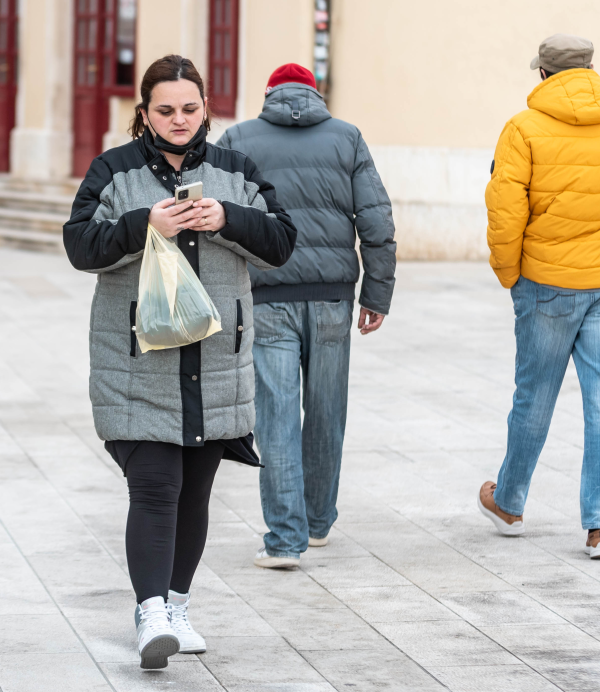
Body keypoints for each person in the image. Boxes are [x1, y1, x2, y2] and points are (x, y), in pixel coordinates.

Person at [63, 55, 296, 669]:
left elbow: (282, 241)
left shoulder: (235, 170)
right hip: (138, 365)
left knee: (195, 493)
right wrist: (144, 224)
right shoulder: (112, 172)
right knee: (155, 487)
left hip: (216, 365)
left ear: (205, 110)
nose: (178, 119)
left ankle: (177, 603)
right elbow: (79, 245)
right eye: (164, 110)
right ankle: (150, 614)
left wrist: (229, 218)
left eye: (189, 109)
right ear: (144, 113)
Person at [478, 34, 600, 559]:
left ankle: (509, 503)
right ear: (591, 68)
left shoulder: (523, 128)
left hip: (547, 283)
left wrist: (509, 274)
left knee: (534, 395)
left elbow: (505, 212)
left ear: (542, 75)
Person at [217, 63, 396, 568]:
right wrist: (376, 295)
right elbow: (377, 220)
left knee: (275, 417)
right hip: (334, 299)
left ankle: (284, 539)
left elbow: (225, 220)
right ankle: (317, 523)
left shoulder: (239, 139)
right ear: (314, 95)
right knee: (326, 411)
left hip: (268, 296)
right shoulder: (348, 138)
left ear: (270, 94)